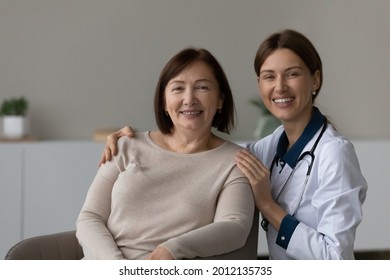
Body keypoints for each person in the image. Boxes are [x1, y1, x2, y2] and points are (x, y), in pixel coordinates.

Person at [99, 29, 368, 260]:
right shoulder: (267, 148)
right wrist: (132, 139)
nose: (280, 87)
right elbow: (208, 153)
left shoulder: (334, 152)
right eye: (269, 76)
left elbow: (337, 258)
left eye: (292, 74)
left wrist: (268, 205)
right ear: (259, 84)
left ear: (316, 80)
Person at [76, 48, 255, 260]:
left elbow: (234, 227)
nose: (189, 99)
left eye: (202, 87)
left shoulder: (235, 162)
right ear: (163, 101)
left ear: (220, 100)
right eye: (178, 88)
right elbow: (90, 217)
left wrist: (174, 248)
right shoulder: (125, 146)